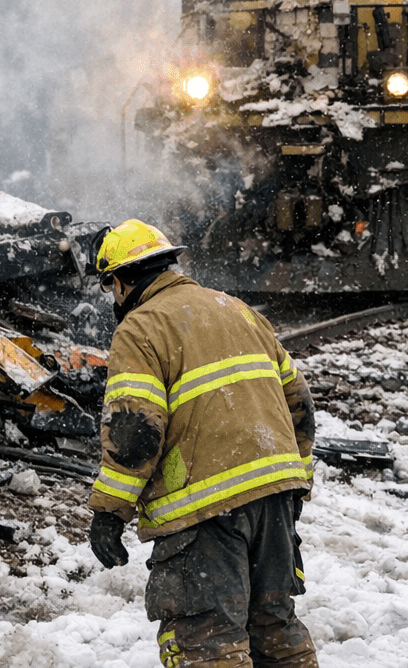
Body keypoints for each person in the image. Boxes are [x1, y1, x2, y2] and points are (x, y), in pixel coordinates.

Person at [86, 219, 318, 668]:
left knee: (206, 640)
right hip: (275, 498)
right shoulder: (238, 309)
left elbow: (135, 432)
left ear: (119, 280)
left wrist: (109, 512)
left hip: (205, 509)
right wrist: (296, 485)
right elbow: (301, 407)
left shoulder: (139, 329)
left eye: (109, 287)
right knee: (274, 629)